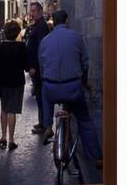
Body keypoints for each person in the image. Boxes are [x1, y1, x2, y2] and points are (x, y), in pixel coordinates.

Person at [39, 10, 102, 166]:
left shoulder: (45, 41)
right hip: (72, 87)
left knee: (45, 95)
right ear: (66, 21)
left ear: (53, 21)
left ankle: (47, 125)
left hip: (51, 86)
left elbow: (42, 66)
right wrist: (84, 81)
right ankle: (97, 157)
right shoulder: (76, 38)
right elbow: (85, 63)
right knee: (84, 120)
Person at [0, 20, 29, 151]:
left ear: (5, 33)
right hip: (17, 82)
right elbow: (26, 66)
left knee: (4, 109)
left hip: (3, 81)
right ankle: (11, 139)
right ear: (18, 32)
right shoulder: (22, 46)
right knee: (12, 111)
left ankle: (3, 137)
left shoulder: (0, 46)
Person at [26, 1, 49, 134]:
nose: (31, 13)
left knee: (41, 96)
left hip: (38, 68)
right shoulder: (37, 26)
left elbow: (41, 48)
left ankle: (44, 125)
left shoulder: (41, 27)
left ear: (40, 11)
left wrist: (34, 66)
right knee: (39, 96)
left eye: (34, 11)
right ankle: (42, 123)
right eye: (31, 11)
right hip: (36, 68)